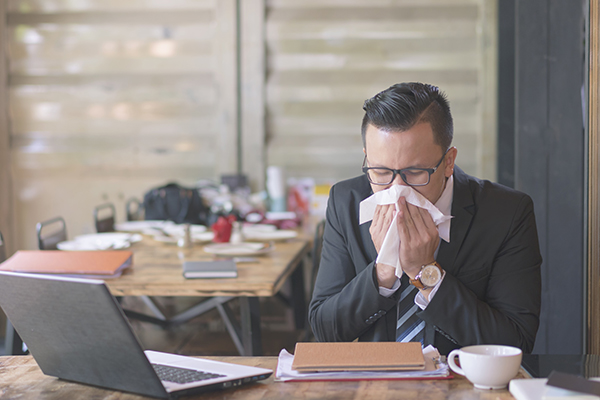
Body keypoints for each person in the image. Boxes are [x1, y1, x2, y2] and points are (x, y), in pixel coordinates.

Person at [308, 82, 542, 355]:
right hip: (376, 384)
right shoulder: (346, 201)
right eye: (381, 172)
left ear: (448, 162)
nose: (397, 190)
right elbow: (325, 329)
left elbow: (515, 343)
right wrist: (383, 272)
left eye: (415, 172)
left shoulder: (507, 212)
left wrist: (426, 273)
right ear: (367, 159)